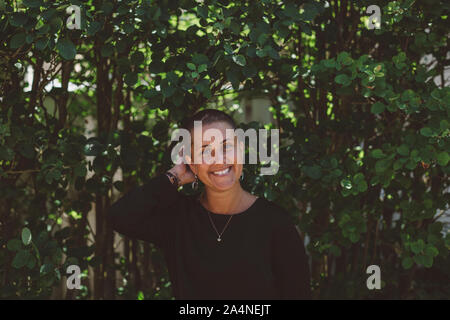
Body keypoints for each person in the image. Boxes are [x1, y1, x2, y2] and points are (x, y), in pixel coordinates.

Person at [107, 109, 311, 300]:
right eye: (205, 150)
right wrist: (174, 176)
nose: (219, 159)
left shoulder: (275, 223)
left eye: (226, 146)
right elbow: (119, 216)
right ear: (191, 162)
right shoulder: (178, 220)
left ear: (240, 148)